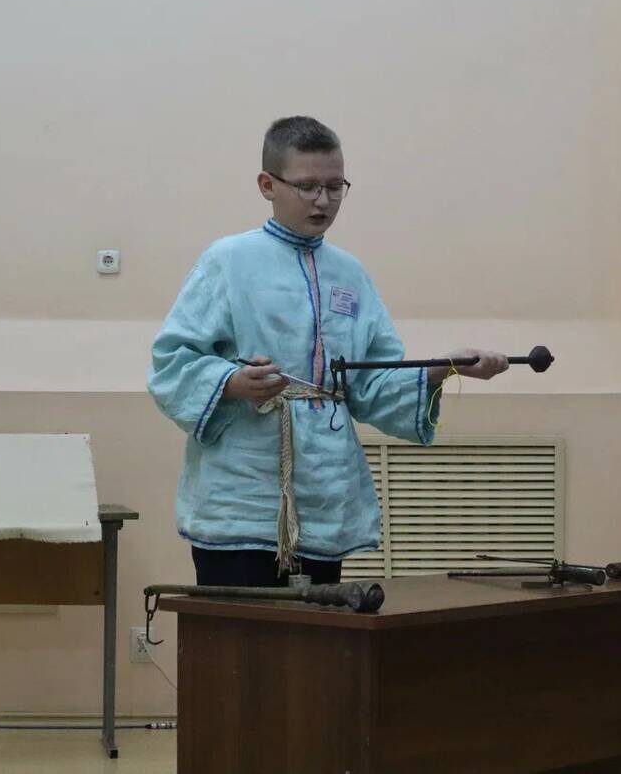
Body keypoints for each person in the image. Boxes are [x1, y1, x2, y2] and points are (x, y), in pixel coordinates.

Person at [148, 116, 508, 587]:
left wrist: (445, 368)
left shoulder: (349, 274)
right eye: (307, 186)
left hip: (324, 495)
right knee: (242, 631)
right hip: (240, 500)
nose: (323, 200)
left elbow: (370, 383)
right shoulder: (227, 261)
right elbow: (172, 362)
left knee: (318, 629)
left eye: (335, 187)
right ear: (267, 185)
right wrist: (233, 383)